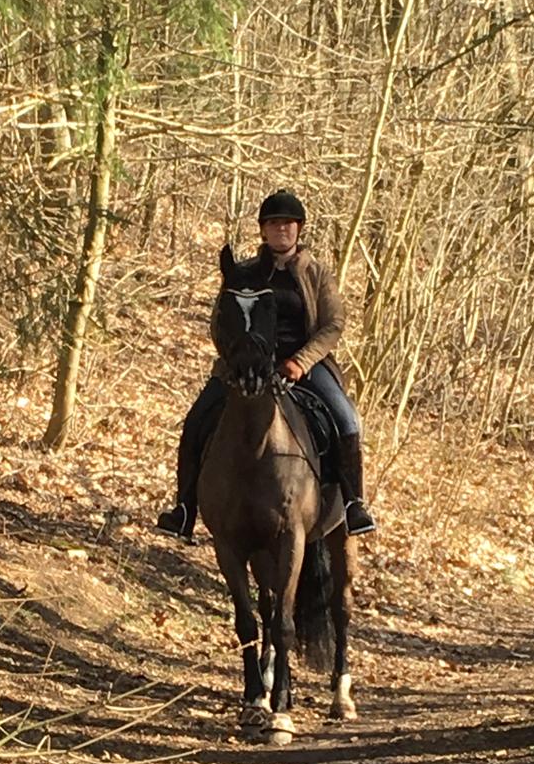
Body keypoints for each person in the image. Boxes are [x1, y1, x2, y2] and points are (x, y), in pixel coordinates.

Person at [156, 189, 376, 542]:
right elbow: (220, 322)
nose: (281, 230)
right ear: (262, 231)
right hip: (245, 365)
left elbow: (333, 324)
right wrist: (233, 359)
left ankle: (353, 504)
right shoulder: (242, 272)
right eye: (273, 224)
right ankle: (184, 509)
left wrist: (301, 362)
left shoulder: (316, 273)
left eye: (288, 223)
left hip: (302, 363)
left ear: (298, 229)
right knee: (197, 419)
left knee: (346, 419)